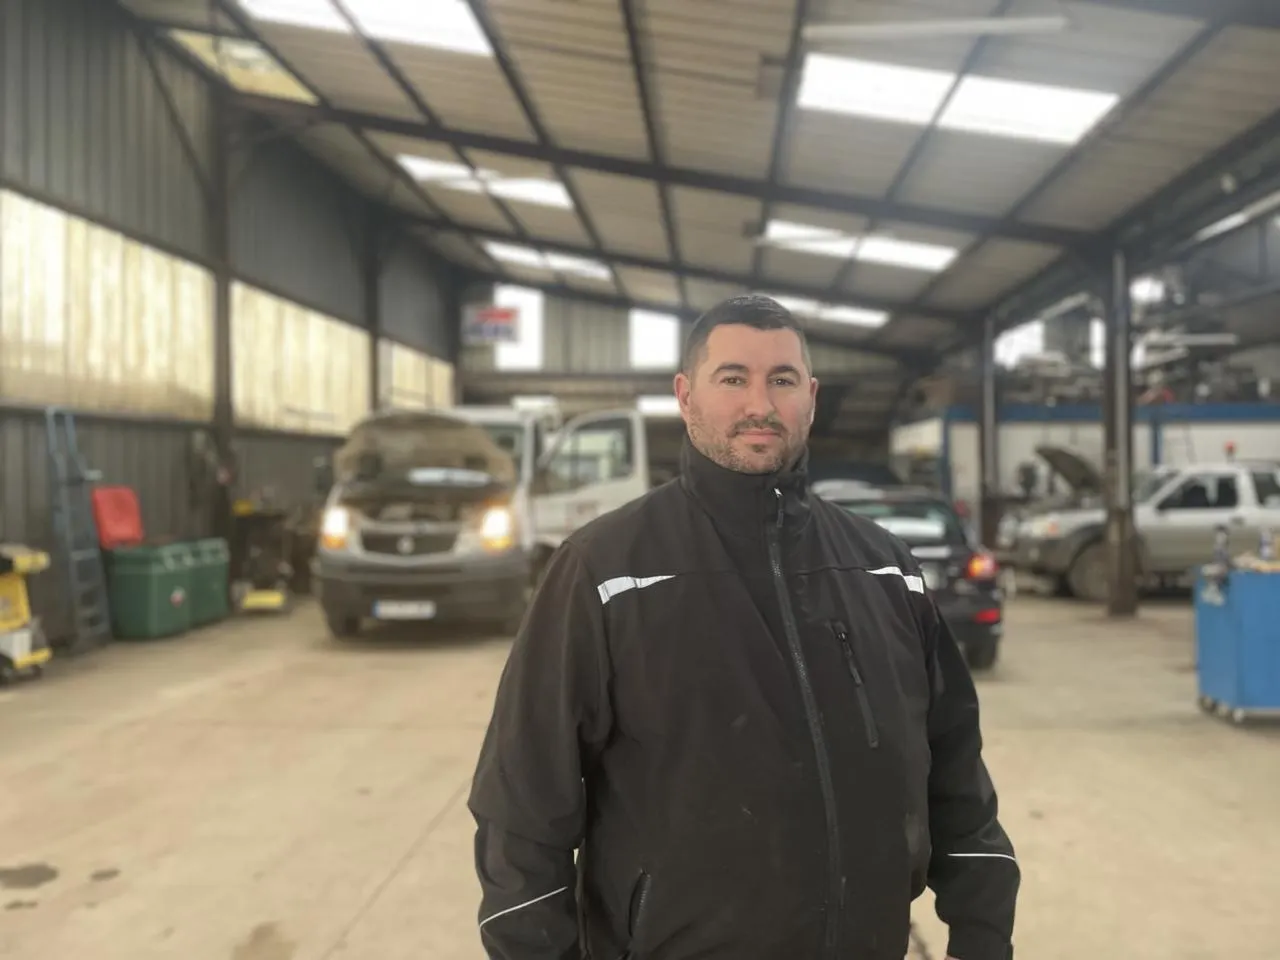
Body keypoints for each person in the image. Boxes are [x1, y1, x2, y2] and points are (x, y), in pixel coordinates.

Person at [468, 295, 1019, 960]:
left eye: (781, 379)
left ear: (811, 397)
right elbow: (522, 809)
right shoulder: (605, 571)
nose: (760, 404)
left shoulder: (884, 568)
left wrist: (982, 937)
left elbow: (956, 775)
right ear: (685, 396)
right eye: (733, 378)